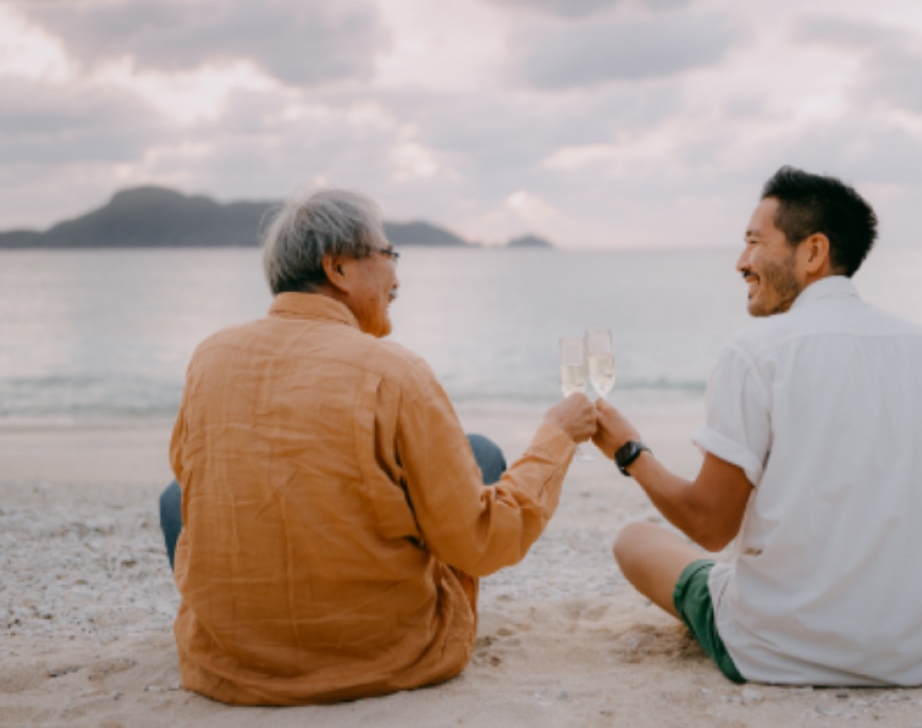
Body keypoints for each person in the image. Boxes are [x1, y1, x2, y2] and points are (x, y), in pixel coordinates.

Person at [159, 185, 595, 705]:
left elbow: (193, 483)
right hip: (383, 657)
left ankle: (254, 629)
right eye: (389, 255)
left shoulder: (210, 357)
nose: (397, 277)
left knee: (175, 497)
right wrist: (557, 436)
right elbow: (483, 541)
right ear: (338, 268)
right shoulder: (395, 371)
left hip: (228, 666)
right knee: (478, 454)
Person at [592, 166, 922, 687]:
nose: (740, 262)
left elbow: (709, 525)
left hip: (781, 649)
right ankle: (904, 607)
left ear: (813, 252)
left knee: (635, 540)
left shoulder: (754, 353)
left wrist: (629, 450)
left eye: (753, 242)